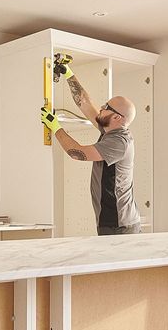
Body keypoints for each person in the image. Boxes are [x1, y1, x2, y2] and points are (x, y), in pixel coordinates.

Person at [39, 70, 141, 235]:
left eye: (106, 107)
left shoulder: (119, 142)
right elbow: (85, 103)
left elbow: (77, 153)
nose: (101, 108)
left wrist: (55, 127)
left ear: (117, 117)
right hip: (113, 221)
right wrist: (67, 73)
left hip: (119, 224)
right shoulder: (109, 130)